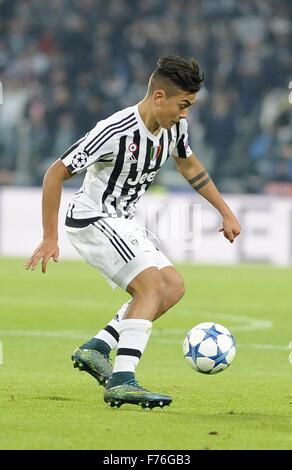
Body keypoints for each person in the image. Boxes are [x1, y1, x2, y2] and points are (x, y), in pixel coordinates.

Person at [26, 56, 241, 409]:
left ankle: (97, 347)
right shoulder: (114, 130)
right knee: (151, 285)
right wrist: (50, 236)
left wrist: (225, 210)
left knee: (172, 286)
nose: (185, 114)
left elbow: (190, 166)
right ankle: (123, 379)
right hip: (92, 218)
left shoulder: (175, 129)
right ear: (159, 97)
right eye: (182, 105)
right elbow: (56, 172)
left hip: (122, 221)